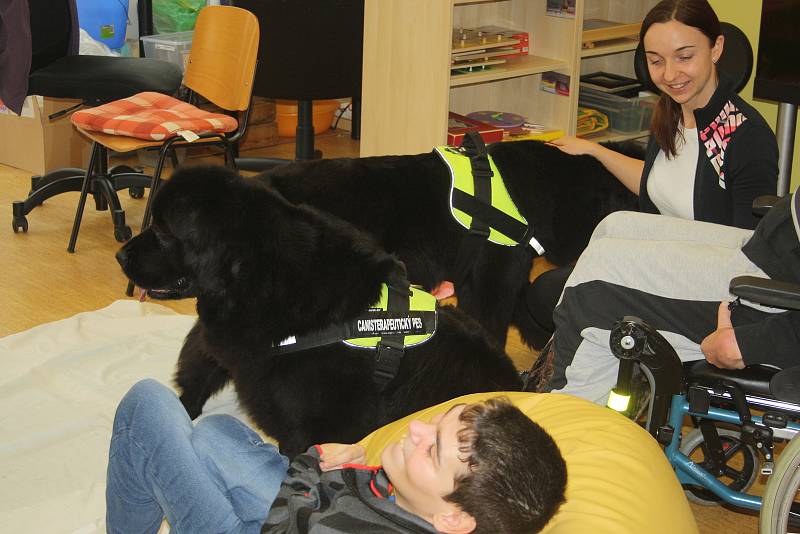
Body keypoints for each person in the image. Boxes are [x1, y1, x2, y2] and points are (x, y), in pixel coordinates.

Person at [524, 0, 779, 343]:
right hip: (665, 262)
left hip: (707, 288)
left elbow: (744, 252)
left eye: (684, 57)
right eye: (656, 61)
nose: (670, 75)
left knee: (561, 294)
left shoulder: (743, 135)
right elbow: (663, 181)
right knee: (556, 286)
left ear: (716, 48)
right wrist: (598, 151)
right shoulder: (673, 112)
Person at [106, 379, 567, 534]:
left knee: (148, 405)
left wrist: (311, 466)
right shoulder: (423, 503)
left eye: (433, 447)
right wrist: (342, 470)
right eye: (437, 421)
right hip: (298, 513)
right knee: (211, 433)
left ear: (453, 520)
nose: (416, 428)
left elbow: (303, 514)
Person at [529, 192, 800, 403]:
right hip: (774, 244)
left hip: (780, 299)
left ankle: (561, 432)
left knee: (591, 288)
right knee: (615, 225)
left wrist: (753, 343)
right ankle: (578, 392)